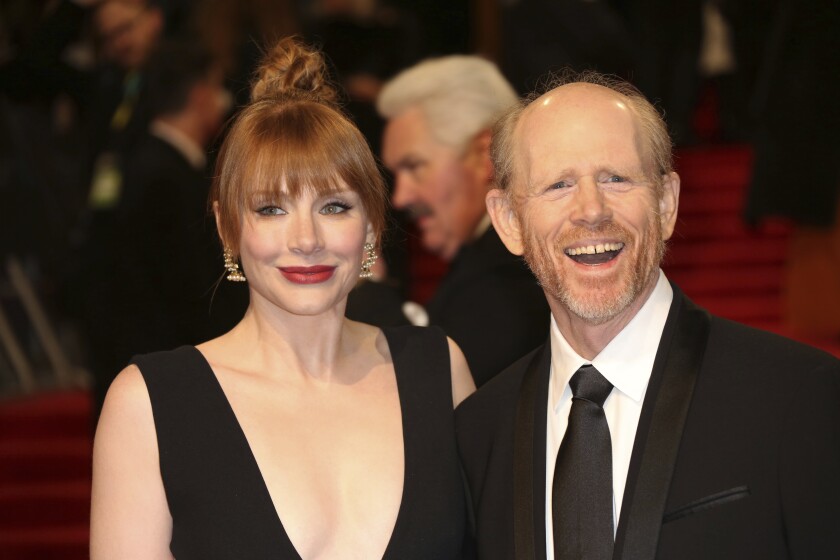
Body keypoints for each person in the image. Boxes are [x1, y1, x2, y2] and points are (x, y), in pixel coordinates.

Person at [90, 37, 475, 559]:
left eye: (335, 206)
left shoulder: (438, 371)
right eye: (271, 209)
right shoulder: (149, 404)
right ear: (228, 228)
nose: (306, 239)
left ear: (372, 226)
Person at [455, 70, 840, 559]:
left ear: (666, 204)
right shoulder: (479, 433)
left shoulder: (797, 396)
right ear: (509, 222)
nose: (591, 210)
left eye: (616, 179)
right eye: (558, 185)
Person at [348, 55, 549, 386]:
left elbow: (424, 394)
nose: (400, 197)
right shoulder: (486, 260)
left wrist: (368, 282)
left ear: (484, 156)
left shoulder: (515, 272)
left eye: (414, 166)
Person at [83, 39, 232, 421]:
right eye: (217, 87)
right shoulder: (166, 176)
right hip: (166, 371)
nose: (223, 100)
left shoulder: (133, 162)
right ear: (200, 96)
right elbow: (189, 285)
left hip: (135, 361)